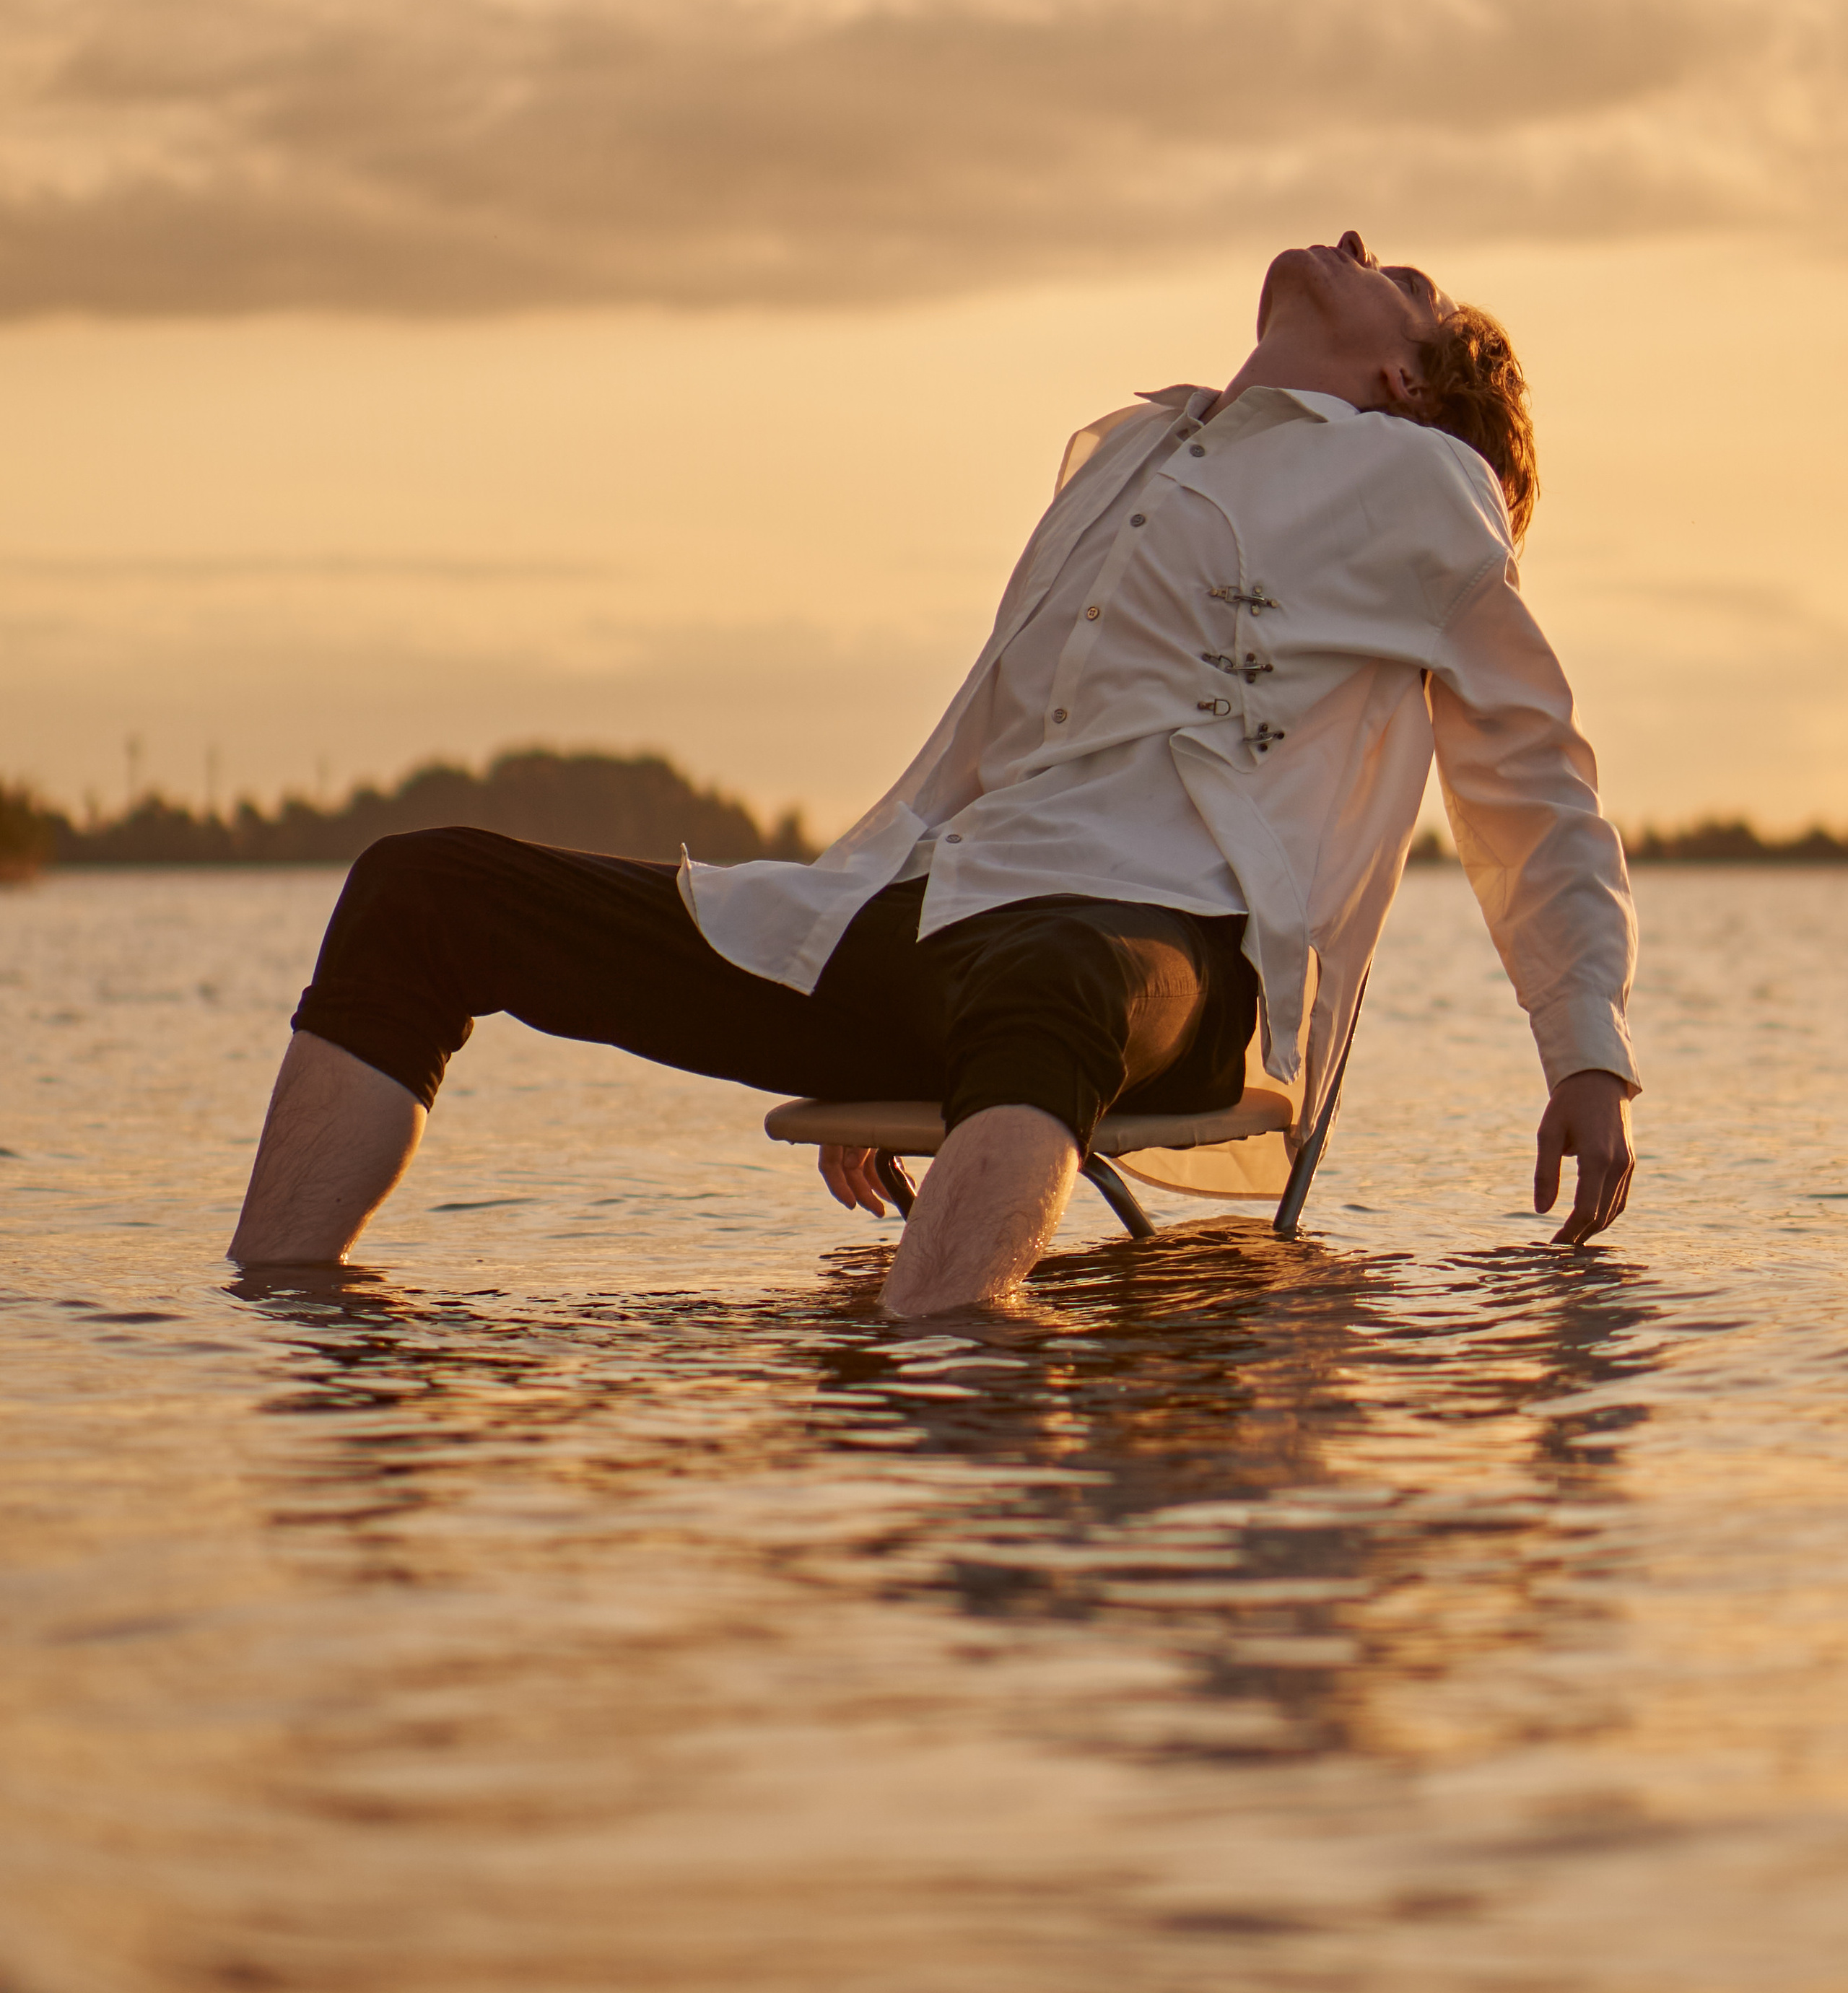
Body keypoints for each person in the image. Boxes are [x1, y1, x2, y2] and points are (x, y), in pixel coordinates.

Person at [229, 231, 1637, 1314]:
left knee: (1053, 970)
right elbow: (988, 741)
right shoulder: (1129, 452)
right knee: (419, 891)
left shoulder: (1413, 485)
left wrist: (1580, 1049)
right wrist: (860, 960)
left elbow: (1531, 773)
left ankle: (950, 1388)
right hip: (950, 922)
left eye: (1397, 276)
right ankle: (275, 1334)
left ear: (1407, 381)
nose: (1349, 241)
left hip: (1166, 954)